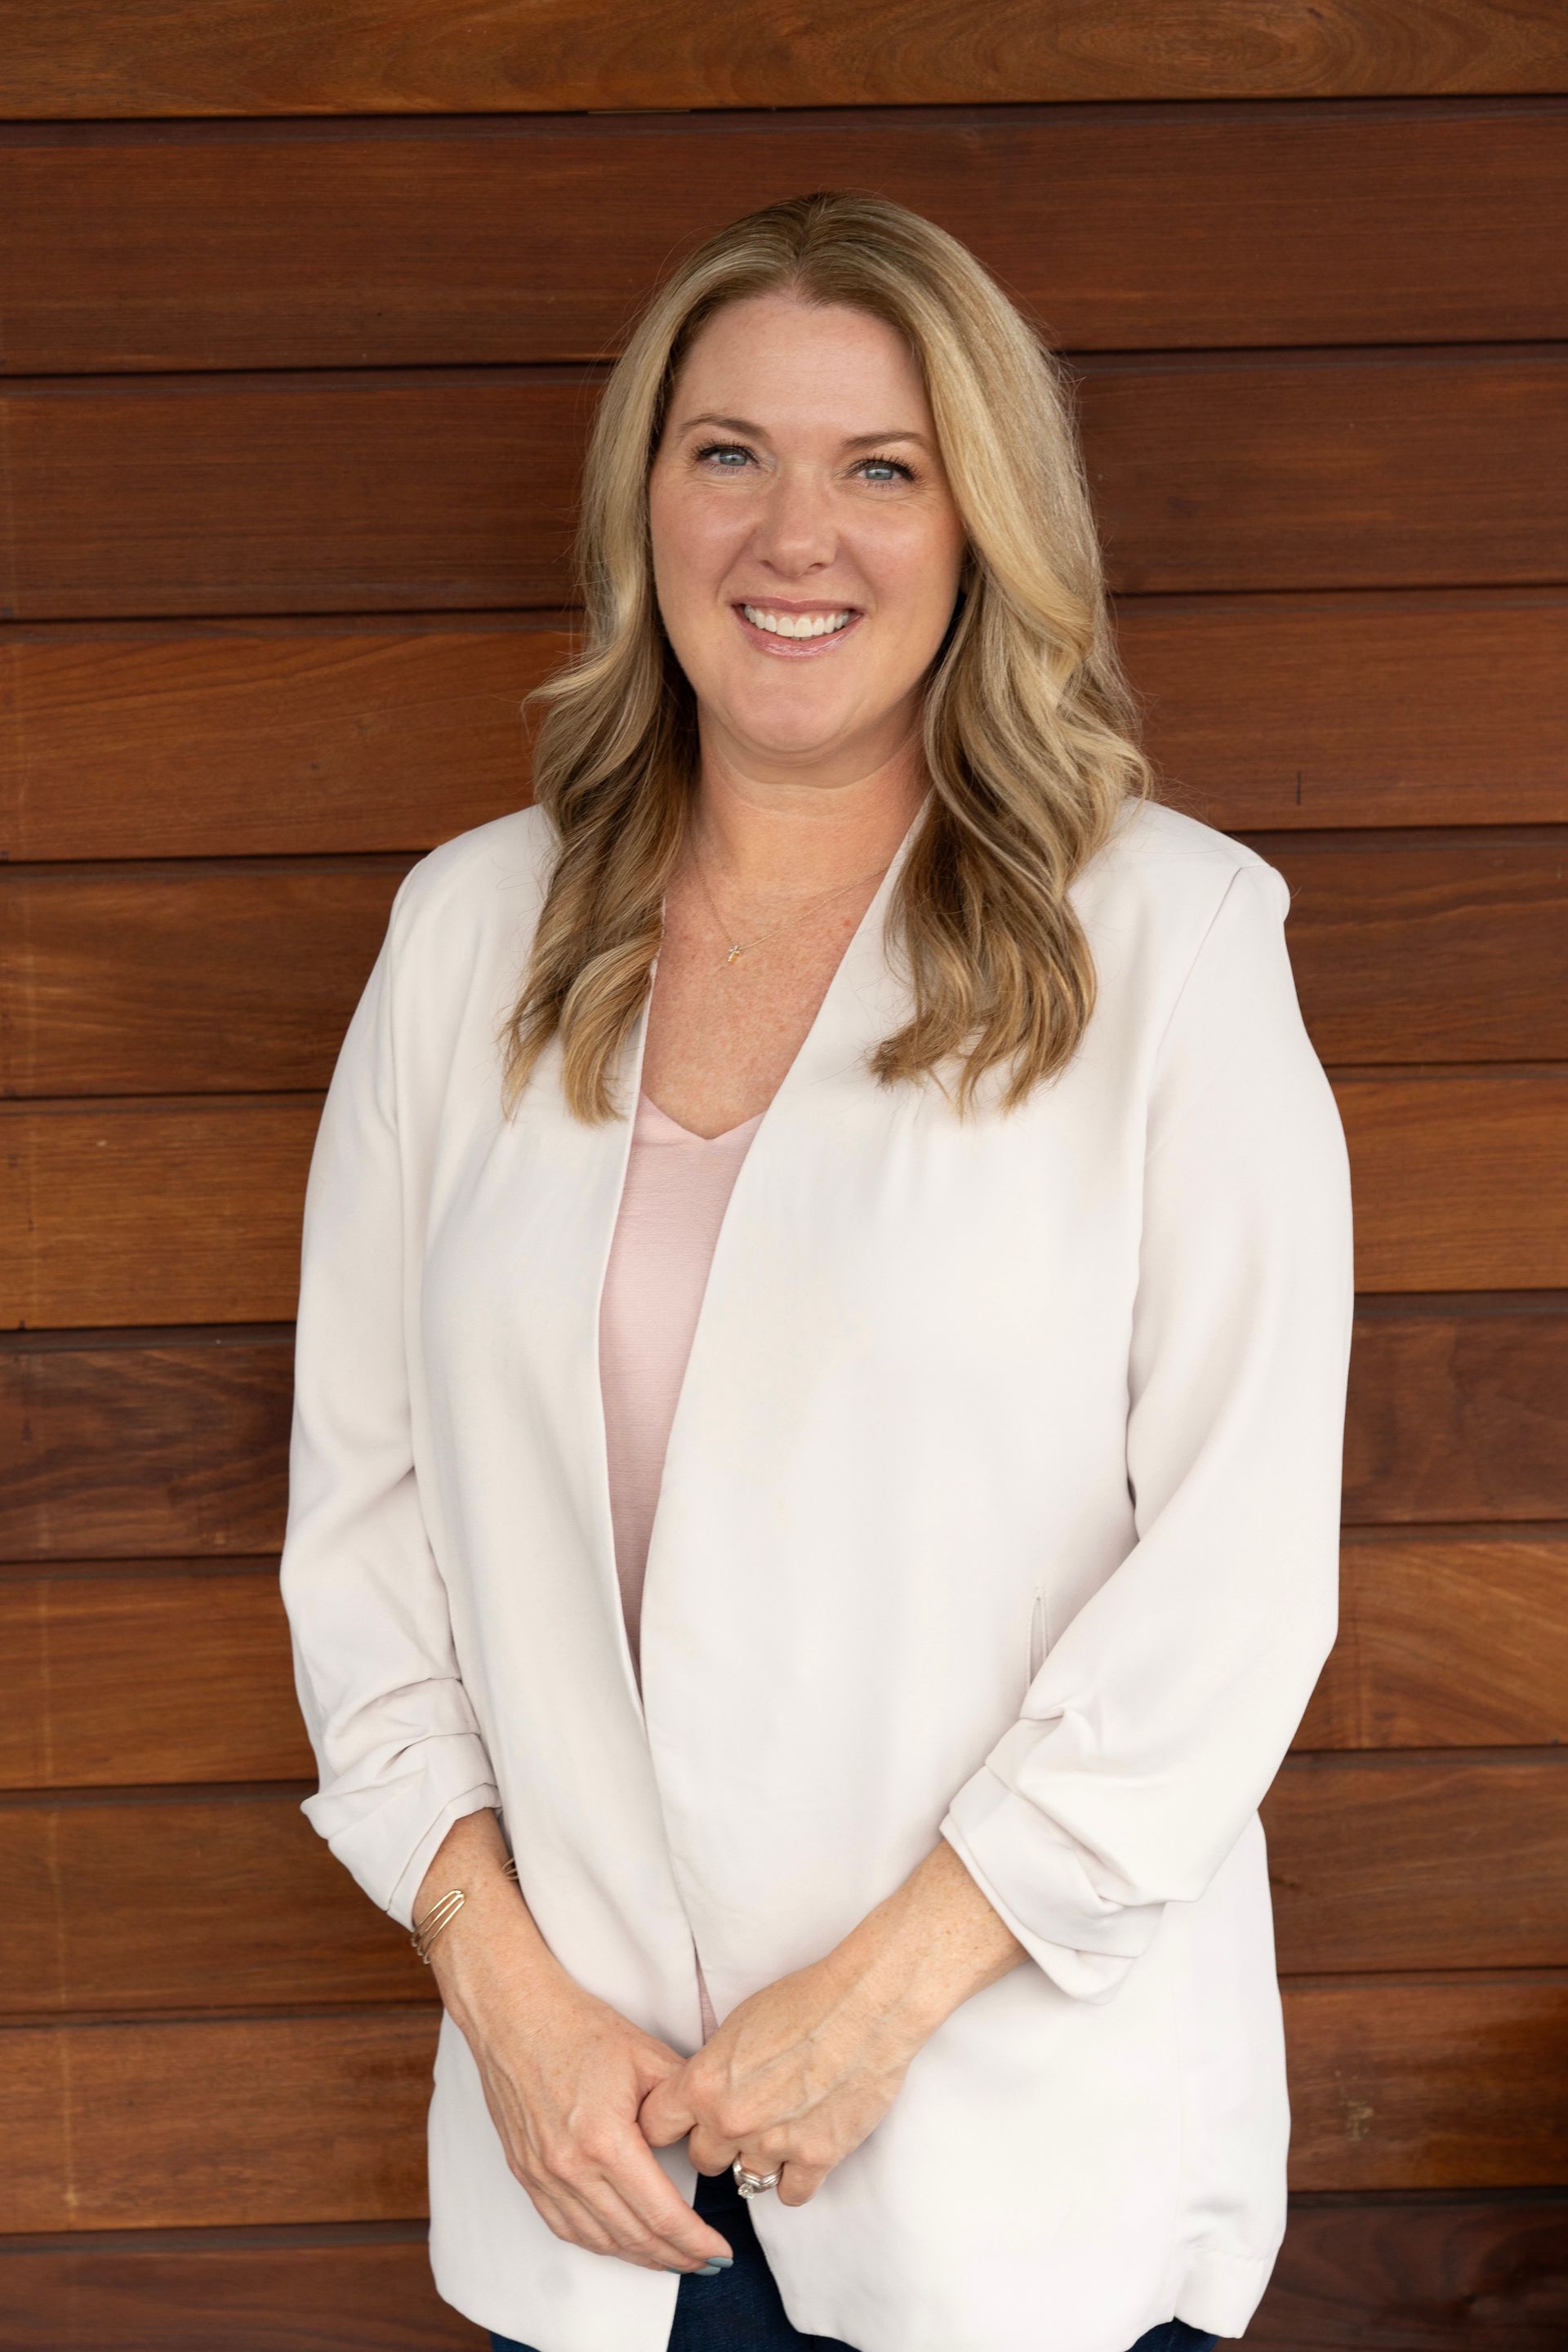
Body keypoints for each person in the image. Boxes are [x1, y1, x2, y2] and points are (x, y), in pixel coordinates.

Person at [279, 190, 1354, 2352]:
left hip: (1008, 2162)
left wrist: (882, 1999)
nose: (797, 537)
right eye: (729, 455)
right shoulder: (466, 937)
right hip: (596, 2167)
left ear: (981, 529)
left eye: (882, 467)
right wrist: (504, 1995)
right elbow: (365, 1537)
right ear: (645, 504)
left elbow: (1238, 1582)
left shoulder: (1170, 945)